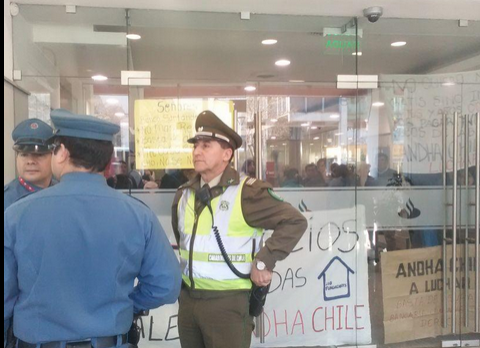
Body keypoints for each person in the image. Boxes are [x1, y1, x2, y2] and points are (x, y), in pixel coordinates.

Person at [4, 109, 181, 346]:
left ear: (62, 153)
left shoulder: (17, 214)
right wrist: (128, 305)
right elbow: (166, 285)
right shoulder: (138, 215)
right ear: (107, 161)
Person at [172, 110, 307, 348]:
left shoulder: (246, 192)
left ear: (227, 154)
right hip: (189, 301)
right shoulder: (184, 194)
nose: (197, 152)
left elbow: (295, 221)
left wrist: (264, 261)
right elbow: (183, 241)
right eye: (195, 146)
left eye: (206, 145)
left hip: (227, 303)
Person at [4, 119, 55, 211]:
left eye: (39, 155)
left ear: (53, 157)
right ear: (17, 158)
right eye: (24, 154)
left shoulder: (61, 191)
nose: (30, 161)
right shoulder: (7, 199)